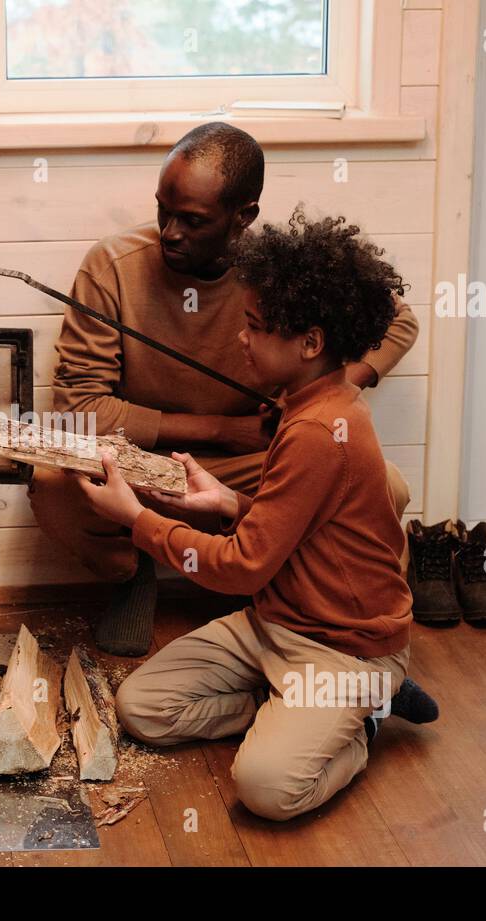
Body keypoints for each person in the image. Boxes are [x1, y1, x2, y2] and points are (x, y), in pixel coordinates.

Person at [73, 208, 434, 821]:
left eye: (256, 326)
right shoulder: (309, 404)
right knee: (143, 708)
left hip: (346, 650)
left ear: (310, 344)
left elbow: (240, 569)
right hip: (274, 624)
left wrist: (136, 519)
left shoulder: (322, 429)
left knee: (267, 789)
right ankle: (282, 704)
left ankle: (370, 713)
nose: (242, 337)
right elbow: (292, 522)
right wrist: (228, 502)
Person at [29, 122, 418, 656]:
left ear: (244, 217)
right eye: (164, 209)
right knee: (53, 482)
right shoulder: (112, 266)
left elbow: (397, 322)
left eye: (193, 221)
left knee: (384, 483)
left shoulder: (278, 273)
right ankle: (130, 576)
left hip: (245, 464)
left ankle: (271, 588)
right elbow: (78, 408)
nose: (170, 232)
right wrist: (219, 428)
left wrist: (322, 387)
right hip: (139, 459)